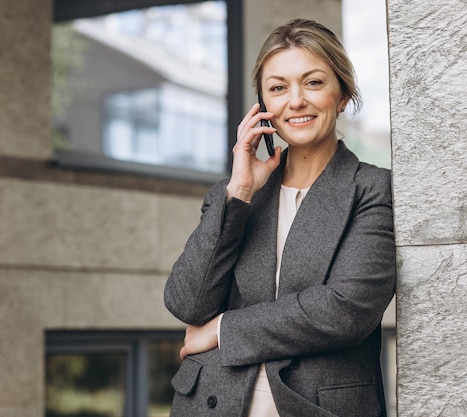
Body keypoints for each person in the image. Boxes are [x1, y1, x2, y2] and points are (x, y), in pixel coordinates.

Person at [164, 18, 395, 417]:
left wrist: (222, 331)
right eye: (278, 88)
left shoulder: (372, 189)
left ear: (343, 95)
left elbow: (344, 311)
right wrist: (239, 195)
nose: (296, 100)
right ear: (264, 107)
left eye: (313, 82)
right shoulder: (237, 193)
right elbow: (188, 302)